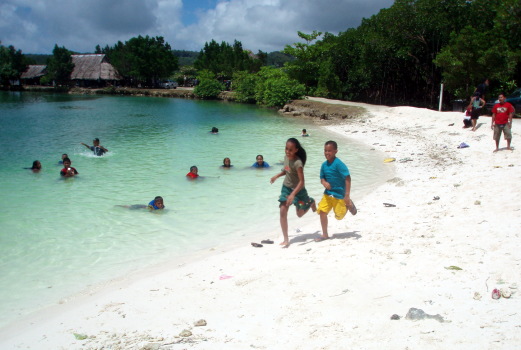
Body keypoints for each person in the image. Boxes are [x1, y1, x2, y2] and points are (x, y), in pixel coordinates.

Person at [270, 138, 316, 247]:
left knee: (299, 214)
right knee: (282, 210)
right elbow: (286, 170)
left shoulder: (298, 163)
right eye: (286, 148)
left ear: (296, 150)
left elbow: (302, 181)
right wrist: (276, 176)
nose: (287, 151)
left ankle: (311, 202)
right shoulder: (286, 158)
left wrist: (293, 194)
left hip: (298, 190)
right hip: (286, 188)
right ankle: (286, 239)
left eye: (290, 150)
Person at [315, 141, 356, 242]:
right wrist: (324, 183)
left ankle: (349, 204)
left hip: (339, 194)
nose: (327, 153)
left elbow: (347, 178)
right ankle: (325, 234)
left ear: (335, 151)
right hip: (328, 194)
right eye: (325, 150)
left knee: (339, 216)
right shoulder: (324, 165)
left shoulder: (339, 164)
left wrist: (347, 195)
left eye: (329, 151)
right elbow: (322, 178)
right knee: (322, 211)